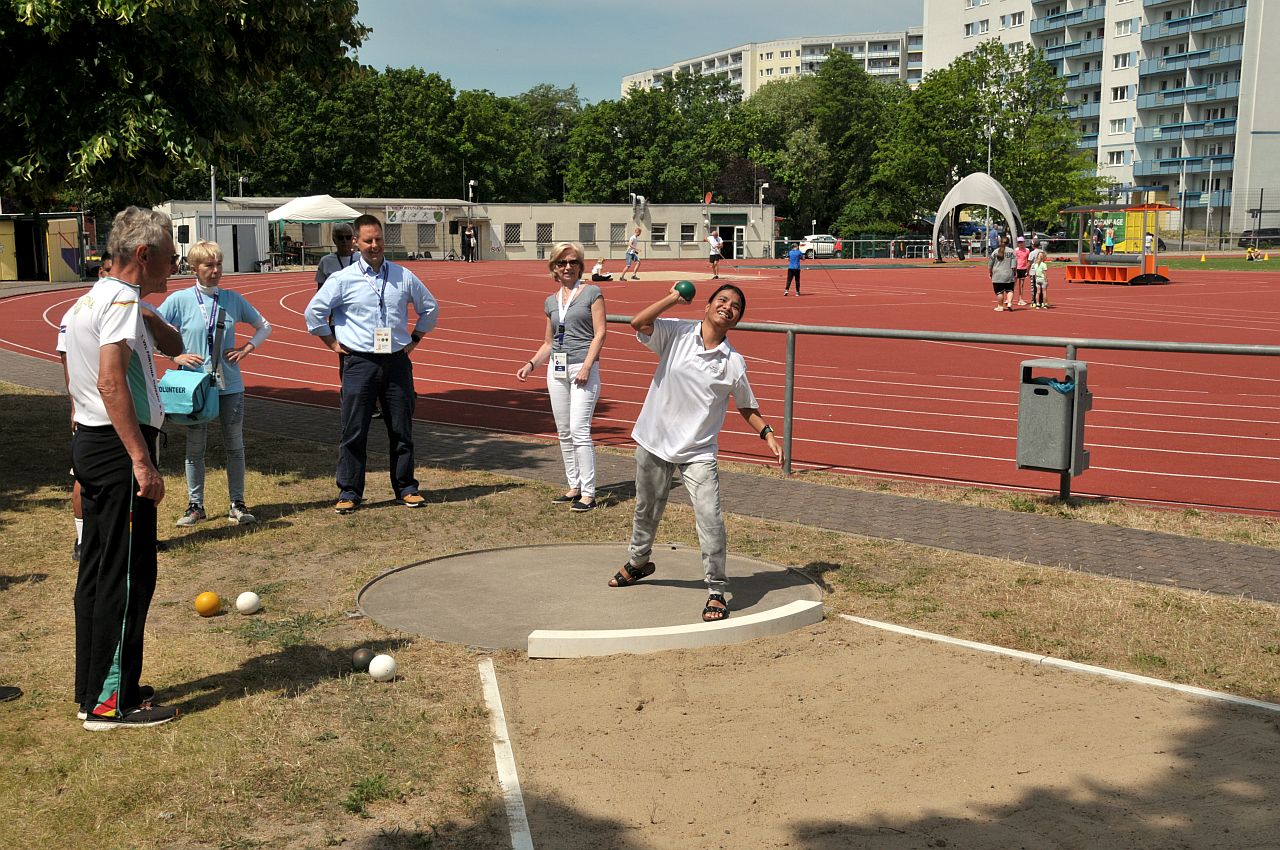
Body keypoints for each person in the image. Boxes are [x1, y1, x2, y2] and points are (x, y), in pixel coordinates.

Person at [64, 206, 182, 729]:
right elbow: (110, 381)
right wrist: (140, 459)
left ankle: (94, 687)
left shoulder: (90, 300)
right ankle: (112, 703)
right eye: (170, 256)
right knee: (128, 575)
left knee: (98, 569)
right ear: (144, 254)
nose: (175, 265)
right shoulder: (119, 301)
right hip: (117, 451)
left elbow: (74, 376)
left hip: (94, 443)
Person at [607, 283, 783, 622]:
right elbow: (638, 323)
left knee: (710, 519)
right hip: (654, 440)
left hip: (698, 451)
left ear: (737, 320)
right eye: (722, 300)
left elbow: (746, 406)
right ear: (707, 305)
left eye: (735, 306)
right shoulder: (677, 332)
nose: (727, 307)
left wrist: (767, 433)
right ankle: (638, 562)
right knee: (646, 509)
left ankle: (716, 590)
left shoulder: (733, 362)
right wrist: (674, 297)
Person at [305, 214, 439, 514]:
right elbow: (314, 313)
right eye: (368, 240)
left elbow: (430, 307)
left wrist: (415, 338)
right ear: (356, 242)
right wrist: (332, 344)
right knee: (354, 430)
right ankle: (350, 491)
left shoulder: (403, 276)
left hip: (396, 362)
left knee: (401, 429)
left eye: (378, 239)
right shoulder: (343, 279)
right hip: (359, 362)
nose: (374, 245)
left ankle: (406, 487)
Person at [158, 240, 273, 527]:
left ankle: (237, 503)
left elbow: (264, 326)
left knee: (235, 445)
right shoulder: (180, 300)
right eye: (209, 265)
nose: (216, 270)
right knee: (195, 446)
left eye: (219, 264)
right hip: (194, 387)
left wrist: (246, 349)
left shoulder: (232, 299)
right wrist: (175, 356)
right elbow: (150, 330)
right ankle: (195, 505)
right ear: (194, 268)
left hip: (229, 385)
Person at [515, 243, 607, 512]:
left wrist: (587, 366)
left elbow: (600, 333)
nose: (568, 267)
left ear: (580, 266)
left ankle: (588, 493)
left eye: (573, 262)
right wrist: (531, 364)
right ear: (554, 267)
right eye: (562, 263)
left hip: (582, 368)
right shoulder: (550, 301)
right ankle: (573, 486)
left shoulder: (592, 293)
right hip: (557, 369)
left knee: (580, 430)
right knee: (564, 431)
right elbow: (549, 342)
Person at [315, 223, 357, 290]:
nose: (344, 241)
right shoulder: (325, 261)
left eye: (348, 237)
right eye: (340, 238)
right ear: (334, 240)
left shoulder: (362, 259)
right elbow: (320, 290)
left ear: (352, 239)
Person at [989, 236, 1016, 311]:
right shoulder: (1012, 251)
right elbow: (1013, 265)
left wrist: (990, 272)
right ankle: (1009, 302)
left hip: (997, 275)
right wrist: (1014, 273)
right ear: (1008, 243)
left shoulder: (995, 251)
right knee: (1010, 290)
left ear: (1000, 242)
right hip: (1008, 274)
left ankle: (1000, 306)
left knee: (999, 292)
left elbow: (990, 264)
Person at [1028, 239, 1050, 309]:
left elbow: (1029, 263)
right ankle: (1042, 302)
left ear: (1033, 245)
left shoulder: (1032, 253)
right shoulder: (1042, 252)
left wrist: (1027, 271)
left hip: (1034, 272)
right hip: (1041, 272)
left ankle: (1035, 302)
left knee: (1035, 289)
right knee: (1043, 290)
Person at [1013, 235, 1031, 306]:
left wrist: (1028, 270)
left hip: (1023, 269)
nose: (1020, 243)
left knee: (1021, 285)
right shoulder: (1016, 250)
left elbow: (1028, 260)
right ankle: (1009, 298)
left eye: (1021, 242)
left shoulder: (1027, 250)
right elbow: (1013, 260)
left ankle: (1020, 299)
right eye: (1019, 242)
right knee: (1013, 284)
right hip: (1016, 268)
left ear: (1024, 242)